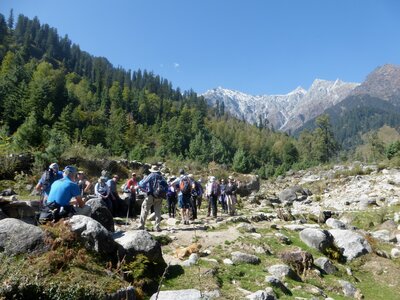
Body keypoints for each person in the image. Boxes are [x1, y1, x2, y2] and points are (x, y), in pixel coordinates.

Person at [137, 165, 167, 232]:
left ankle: (141, 225)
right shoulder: (161, 176)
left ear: (152, 170)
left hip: (151, 195)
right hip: (159, 196)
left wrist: (141, 187)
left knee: (144, 209)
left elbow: (142, 184)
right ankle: (157, 227)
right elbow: (166, 185)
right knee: (158, 212)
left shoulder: (151, 175)